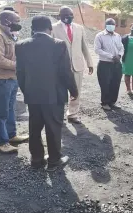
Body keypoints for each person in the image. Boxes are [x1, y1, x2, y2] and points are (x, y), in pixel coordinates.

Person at [15, 15, 78, 171]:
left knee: (34, 128)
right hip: (53, 96)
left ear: (32, 28)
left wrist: (26, 91)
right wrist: (74, 90)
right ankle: (54, 161)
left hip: (32, 95)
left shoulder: (21, 45)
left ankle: (36, 160)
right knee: (53, 128)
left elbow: (20, 73)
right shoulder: (58, 44)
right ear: (49, 28)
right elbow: (65, 72)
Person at [0, 11, 28, 154]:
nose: (19, 23)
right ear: (6, 20)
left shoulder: (10, 35)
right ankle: (1, 142)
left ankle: (11, 136)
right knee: (1, 111)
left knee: (10, 109)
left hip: (11, 78)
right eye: (16, 20)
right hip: (0, 79)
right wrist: (18, 65)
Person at [51, 6, 93, 124]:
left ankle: (72, 114)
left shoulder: (79, 28)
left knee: (76, 91)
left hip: (77, 65)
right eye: (65, 15)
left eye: (70, 15)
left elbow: (84, 46)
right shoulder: (53, 28)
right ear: (59, 15)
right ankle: (59, 115)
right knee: (60, 91)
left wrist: (89, 63)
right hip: (60, 67)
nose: (68, 17)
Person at [94, 18, 124, 111]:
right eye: (109, 24)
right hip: (105, 64)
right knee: (105, 84)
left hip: (116, 63)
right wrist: (111, 56)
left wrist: (119, 55)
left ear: (115, 25)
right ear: (106, 25)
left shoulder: (117, 36)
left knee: (115, 83)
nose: (111, 25)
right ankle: (105, 102)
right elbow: (97, 49)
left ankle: (112, 102)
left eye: (113, 24)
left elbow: (121, 47)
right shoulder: (100, 36)